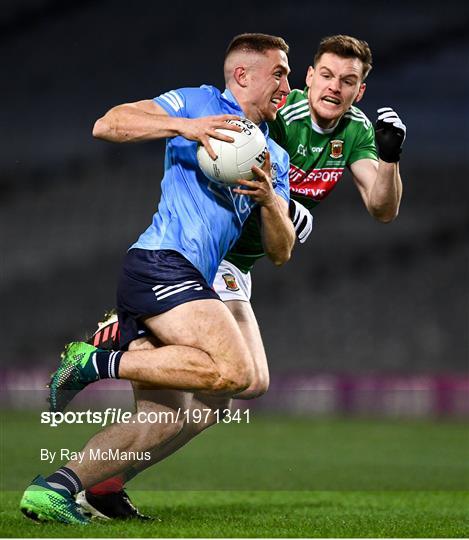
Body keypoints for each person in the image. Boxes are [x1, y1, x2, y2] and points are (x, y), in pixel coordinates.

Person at [73, 34, 407, 521]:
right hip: (217, 255)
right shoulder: (277, 108)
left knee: (211, 407)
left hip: (244, 263)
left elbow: (381, 208)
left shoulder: (354, 131)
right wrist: (188, 128)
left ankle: (105, 479)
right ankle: (118, 349)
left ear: (361, 90)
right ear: (310, 77)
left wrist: (391, 158)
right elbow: (221, 125)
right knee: (248, 379)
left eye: (349, 81)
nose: (334, 88)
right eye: (326, 76)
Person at [19, 33, 295, 525]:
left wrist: (269, 199)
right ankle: (96, 361)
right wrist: (184, 128)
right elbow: (108, 124)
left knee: (184, 414)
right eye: (279, 72)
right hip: (161, 262)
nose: (287, 84)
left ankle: (58, 487)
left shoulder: (274, 153)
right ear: (242, 75)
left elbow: (281, 251)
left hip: (188, 278)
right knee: (236, 373)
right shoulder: (198, 102)